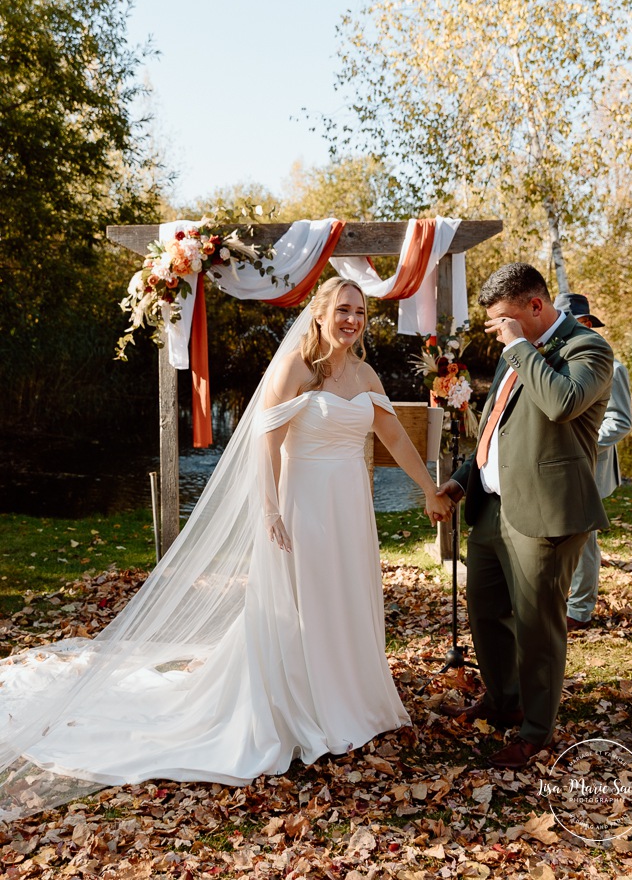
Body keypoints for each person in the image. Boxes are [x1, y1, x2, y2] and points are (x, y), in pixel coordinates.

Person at [0, 278, 451, 820]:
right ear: (320, 313)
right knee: (304, 603)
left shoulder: (366, 373)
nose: (352, 319)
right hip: (304, 502)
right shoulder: (297, 369)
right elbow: (267, 443)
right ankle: (308, 709)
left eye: (359, 312)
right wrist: (269, 509)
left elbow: (394, 436)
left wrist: (427, 487)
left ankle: (352, 700)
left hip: (350, 506)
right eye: (342, 310)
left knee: (347, 597)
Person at [436, 263, 613, 768]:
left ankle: (536, 731)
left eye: (504, 320)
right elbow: (497, 425)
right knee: (485, 612)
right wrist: (465, 476)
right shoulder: (522, 352)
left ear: (536, 306)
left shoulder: (588, 350)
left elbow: (561, 403)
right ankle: (503, 699)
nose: (498, 332)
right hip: (492, 508)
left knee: (538, 626)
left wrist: (517, 347)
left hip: (546, 513)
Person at [553, 293, 632, 632]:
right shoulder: (551, 362)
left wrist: (580, 443)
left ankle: (580, 611)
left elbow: (620, 422)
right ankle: (556, 602)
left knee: (584, 541)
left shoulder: (612, 367)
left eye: (576, 324)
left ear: (586, 324)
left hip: (590, 466)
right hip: (554, 467)